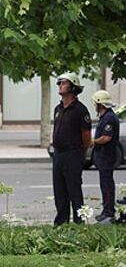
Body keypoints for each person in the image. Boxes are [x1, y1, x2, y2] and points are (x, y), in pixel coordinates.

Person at [52, 73, 91, 225]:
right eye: (59, 83)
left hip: (73, 153)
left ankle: (78, 222)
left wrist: (79, 153)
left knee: (74, 190)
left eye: (63, 83)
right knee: (59, 190)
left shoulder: (80, 110)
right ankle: (61, 223)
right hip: (59, 154)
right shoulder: (58, 108)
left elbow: (86, 136)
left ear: (72, 87)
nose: (60, 85)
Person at [91, 90, 119, 224]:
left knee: (107, 185)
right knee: (104, 184)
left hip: (107, 156)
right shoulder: (105, 116)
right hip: (103, 156)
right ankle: (105, 211)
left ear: (99, 104)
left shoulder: (109, 118)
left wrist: (93, 141)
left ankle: (109, 213)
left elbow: (107, 137)